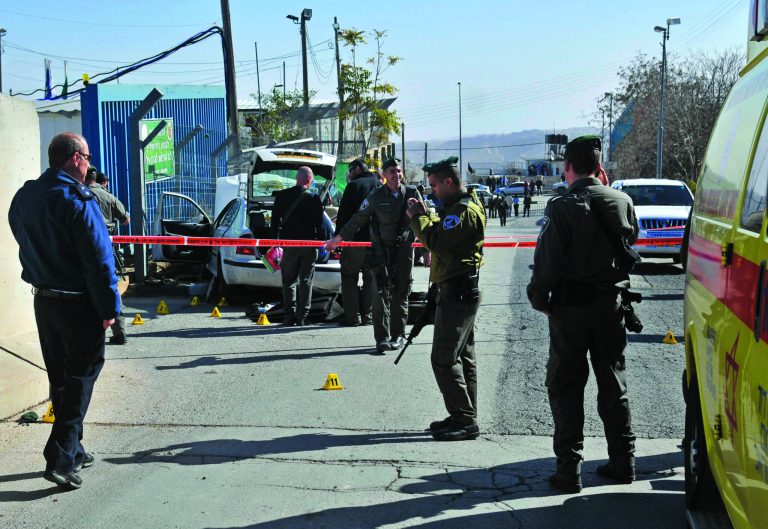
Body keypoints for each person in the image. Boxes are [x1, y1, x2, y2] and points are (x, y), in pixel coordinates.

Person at [526, 135, 639, 494]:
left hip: (570, 311)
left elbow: (546, 264)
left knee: (566, 386)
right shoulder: (622, 201)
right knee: (613, 384)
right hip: (611, 307)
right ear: (599, 168)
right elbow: (630, 240)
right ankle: (624, 462)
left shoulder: (561, 207)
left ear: (567, 168)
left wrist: (539, 299)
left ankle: (569, 470)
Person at [8, 132, 120, 490]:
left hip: (44, 300)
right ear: (75, 159)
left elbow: (19, 231)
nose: (89, 164)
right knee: (80, 379)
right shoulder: (78, 200)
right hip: (78, 303)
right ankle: (59, 457)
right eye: (87, 157)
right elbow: (100, 261)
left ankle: (73, 448)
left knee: (61, 377)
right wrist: (109, 308)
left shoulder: (27, 194)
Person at [406, 156, 485, 441]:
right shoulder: (456, 209)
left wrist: (418, 217)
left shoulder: (463, 212)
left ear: (449, 182)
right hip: (457, 290)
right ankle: (463, 413)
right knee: (463, 358)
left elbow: (436, 241)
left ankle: (465, 419)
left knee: (443, 358)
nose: (433, 191)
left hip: (458, 292)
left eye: (435, 185)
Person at [325, 158, 421, 353]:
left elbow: (424, 220)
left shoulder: (411, 193)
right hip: (381, 252)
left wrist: (427, 251)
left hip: (404, 251)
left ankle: (398, 336)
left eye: (399, 171)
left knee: (401, 293)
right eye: (392, 171)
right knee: (380, 294)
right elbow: (357, 219)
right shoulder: (375, 196)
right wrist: (338, 239)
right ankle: (382, 338)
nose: (397, 175)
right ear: (384, 175)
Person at [271, 166, 325, 326]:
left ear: (297, 178)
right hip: (309, 246)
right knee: (306, 281)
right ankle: (302, 317)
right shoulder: (314, 198)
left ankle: (289, 316)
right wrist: (321, 243)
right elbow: (320, 225)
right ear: (309, 180)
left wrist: (274, 242)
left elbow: (274, 222)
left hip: (289, 246)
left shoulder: (282, 196)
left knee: (288, 282)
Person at [84, 170, 131, 344]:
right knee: (111, 288)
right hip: (106, 247)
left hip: (84, 248)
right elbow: (126, 219)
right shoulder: (108, 196)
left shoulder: (79, 194)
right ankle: (120, 332)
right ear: (98, 180)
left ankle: (91, 333)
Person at [334, 159, 380, 326]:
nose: (349, 174)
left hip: (354, 241)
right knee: (370, 278)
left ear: (359, 169)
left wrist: (338, 238)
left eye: (351, 170)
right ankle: (367, 316)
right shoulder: (381, 185)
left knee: (349, 277)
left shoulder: (354, 186)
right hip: (376, 242)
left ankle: (352, 317)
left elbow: (344, 214)